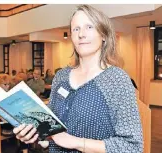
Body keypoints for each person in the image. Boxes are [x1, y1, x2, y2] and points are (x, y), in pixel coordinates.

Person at [13, 5, 143, 153]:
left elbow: (132, 146)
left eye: (89, 27)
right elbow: (52, 129)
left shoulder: (116, 80)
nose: (81, 34)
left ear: (104, 35)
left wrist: (76, 142)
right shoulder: (61, 76)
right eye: (76, 29)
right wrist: (35, 134)